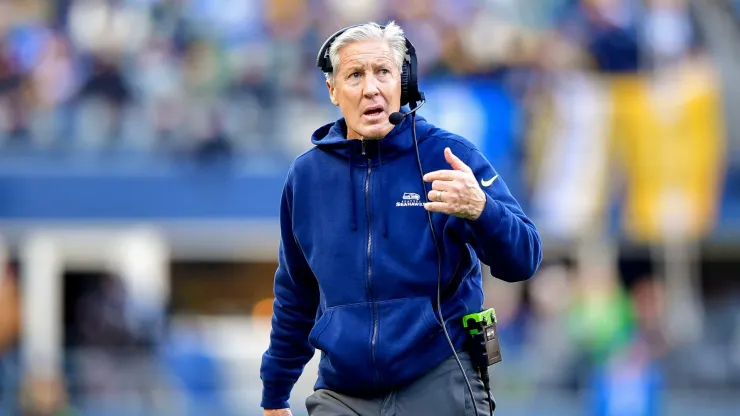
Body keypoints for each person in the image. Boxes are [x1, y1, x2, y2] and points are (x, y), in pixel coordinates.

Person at [260, 21, 542, 416]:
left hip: (438, 373)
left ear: (403, 84)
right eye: (355, 75)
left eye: (383, 72)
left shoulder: (448, 155)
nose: (371, 88)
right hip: (343, 391)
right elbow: (295, 294)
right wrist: (274, 394)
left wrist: (482, 209)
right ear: (333, 91)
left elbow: (524, 259)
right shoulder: (306, 177)